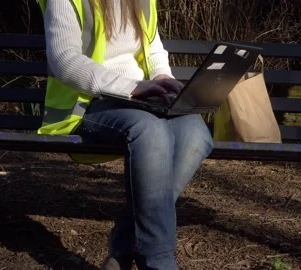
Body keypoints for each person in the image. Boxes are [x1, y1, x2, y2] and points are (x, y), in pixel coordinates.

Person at [37, 0, 213, 269]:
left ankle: (122, 245)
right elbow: (64, 61)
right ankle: (157, 260)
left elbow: (153, 47)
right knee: (149, 131)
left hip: (139, 98)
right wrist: (132, 87)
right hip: (86, 104)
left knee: (196, 133)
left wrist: (162, 78)